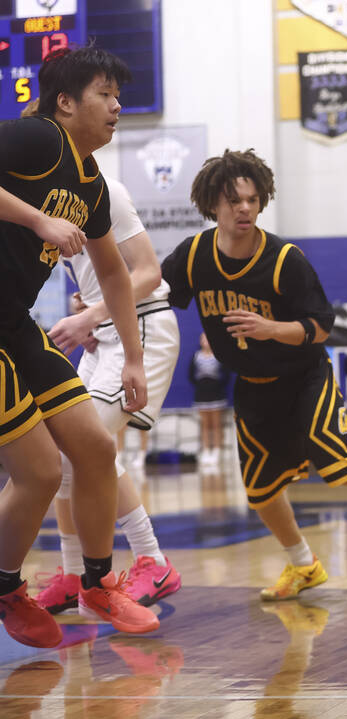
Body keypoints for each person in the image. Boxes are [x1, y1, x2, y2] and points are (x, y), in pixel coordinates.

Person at [161, 149, 347, 601]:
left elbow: (321, 328)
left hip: (303, 377)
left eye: (252, 199)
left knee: (336, 458)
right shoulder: (194, 256)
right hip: (253, 386)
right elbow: (153, 294)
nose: (245, 208)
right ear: (212, 204)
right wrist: (98, 312)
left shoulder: (284, 259)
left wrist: (270, 329)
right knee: (261, 490)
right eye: (234, 201)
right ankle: (304, 565)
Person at [0, 46, 160, 648]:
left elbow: (116, 274)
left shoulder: (90, 183)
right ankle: (6, 587)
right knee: (40, 472)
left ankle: (97, 584)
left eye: (119, 96)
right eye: (105, 95)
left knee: (94, 449)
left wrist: (134, 358)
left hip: (13, 323)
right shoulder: (37, 138)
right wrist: (37, 220)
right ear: (65, 102)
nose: (117, 107)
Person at [35, 174, 182, 613]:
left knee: (86, 445)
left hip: (142, 324)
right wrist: (86, 308)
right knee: (64, 447)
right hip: (103, 333)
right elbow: (98, 276)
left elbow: (149, 274)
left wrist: (90, 315)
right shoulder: (46, 201)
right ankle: (73, 574)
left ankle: (153, 560)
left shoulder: (105, 190)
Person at [189, 332, 229, 466]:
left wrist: (217, 385)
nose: (205, 341)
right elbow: (191, 375)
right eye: (203, 338)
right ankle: (206, 450)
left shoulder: (219, 356)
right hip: (202, 393)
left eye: (208, 338)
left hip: (216, 393)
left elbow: (226, 375)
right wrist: (200, 385)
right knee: (205, 424)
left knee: (216, 424)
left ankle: (217, 450)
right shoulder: (196, 356)